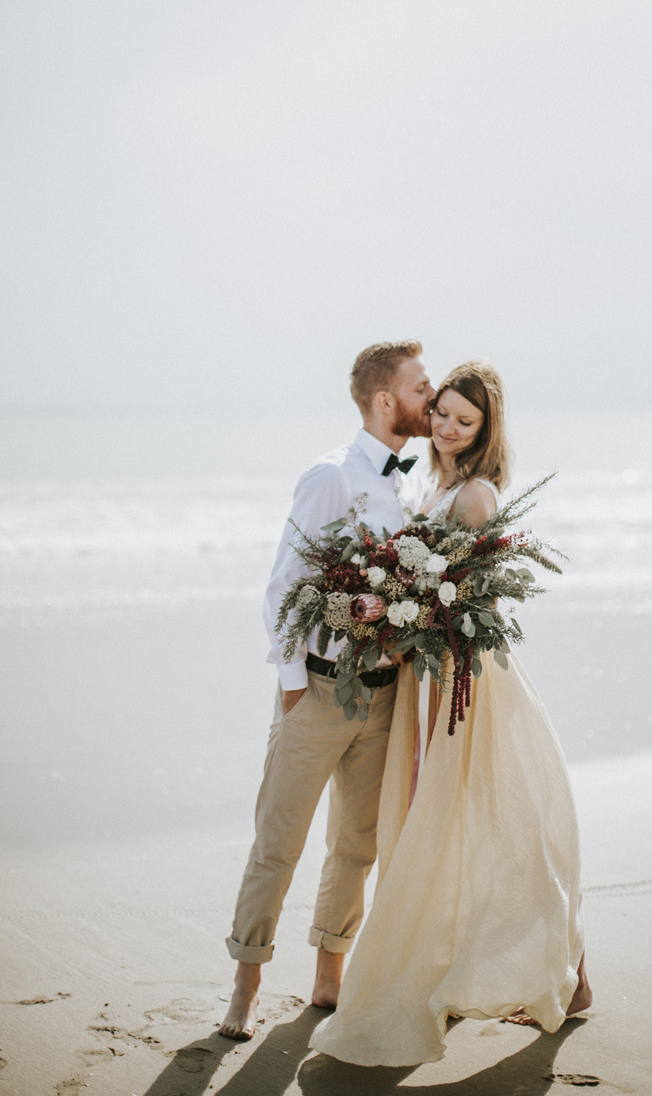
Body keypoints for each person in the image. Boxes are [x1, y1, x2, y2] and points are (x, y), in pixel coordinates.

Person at [310, 360, 592, 1067]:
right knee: (446, 823)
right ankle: (533, 972)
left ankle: (569, 970)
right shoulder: (426, 485)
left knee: (499, 821)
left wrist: (411, 611)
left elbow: (478, 599)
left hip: (464, 680)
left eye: (464, 422)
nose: (446, 428)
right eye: (440, 413)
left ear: (483, 430)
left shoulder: (475, 494)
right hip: (424, 677)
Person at [218, 339, 436, 1041]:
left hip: (381, 699)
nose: (429, 400)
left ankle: (327, 976)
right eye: (419, 388)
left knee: (356, 847)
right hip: (315, 695)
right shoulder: (329, 477)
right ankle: (245, 986)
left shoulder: (407, 486)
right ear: (384, 400)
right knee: (277, 842)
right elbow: (285, 588)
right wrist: (290, 685)